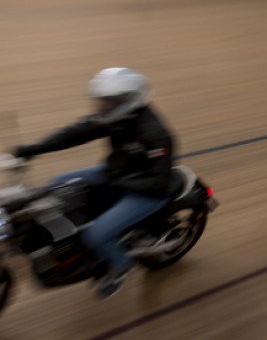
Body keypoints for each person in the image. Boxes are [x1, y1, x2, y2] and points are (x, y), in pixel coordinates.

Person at [13, 67, 175, 300]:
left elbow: (160, 182)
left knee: (96, 234)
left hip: (145, 193)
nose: (101, 107)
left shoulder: (155, 134)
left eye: (107, 102)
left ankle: (120, 265)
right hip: (117, 174)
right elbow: (74, 133)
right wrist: (34, 149)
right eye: (100, 101)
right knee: (58, 184)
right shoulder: (117, 118)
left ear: (127, 101)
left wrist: (120, 181)